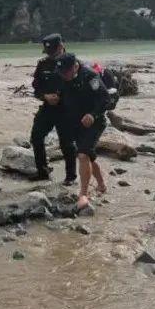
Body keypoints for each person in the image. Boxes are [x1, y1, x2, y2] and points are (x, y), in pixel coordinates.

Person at [56, 53, 108, 210]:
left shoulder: (90, 76)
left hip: (94, 122)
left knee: (83, 155)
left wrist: (93, 114)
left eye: (66, 72)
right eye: (61, 73)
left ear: (75, 67)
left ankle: (83, 195)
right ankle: (101, 185)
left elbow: (105, 98)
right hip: (76, 123)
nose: (64, 75)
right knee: (89, 157)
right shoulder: (61, 76)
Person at [29, 33, 77, 184]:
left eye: (53, 52)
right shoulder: (43, 64)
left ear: (61, 47)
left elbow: (79, 89)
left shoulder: (73, 63)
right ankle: (42, 172)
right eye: (48, 52)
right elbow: (36, 87)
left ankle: (71, 176)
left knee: (67, 143)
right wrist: (45, 96)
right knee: (36, 136)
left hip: (67, 109)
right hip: (48, 107)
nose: (51, 56)